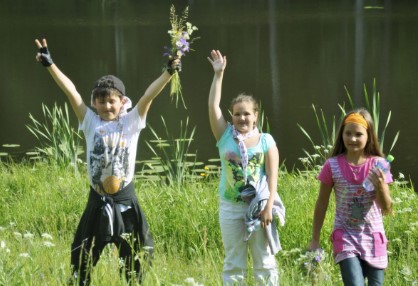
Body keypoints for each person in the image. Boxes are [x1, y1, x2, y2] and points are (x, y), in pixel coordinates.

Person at [34, 38, 181, 285]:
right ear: (94, 103)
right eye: (101, 101)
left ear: (122, 101)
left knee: (134, 261)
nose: (106, 106)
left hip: (125, 202)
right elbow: (71, 91)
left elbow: (148, 95)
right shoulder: (90, 121)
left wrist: (168, 72)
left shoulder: (132, 121)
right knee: (82, 258)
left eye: (111, 101)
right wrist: (50, 65)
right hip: (97, 200)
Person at [207, 50, 284, 285]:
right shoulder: (224, 136)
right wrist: (218, 75)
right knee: (233, 263)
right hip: (230, 207)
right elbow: (213, 105)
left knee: (264, 261)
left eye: (247, 114)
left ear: (255, 116)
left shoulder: (266, 141)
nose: (242, 118)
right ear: (232, 116)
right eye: (237, 114)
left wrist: (269, 207)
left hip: (259, 206)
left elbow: (272, 177)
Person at [307, 108, 393, 286]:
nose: (352, 139)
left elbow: (386, 208)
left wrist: (381, 187)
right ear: (342, 134)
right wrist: (315, 239)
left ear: (369, 136)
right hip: (345, 236)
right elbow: (321, 204)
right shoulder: (332, 166)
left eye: (358, 134)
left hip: (373, 237)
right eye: (348, 133)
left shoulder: (379, 165)